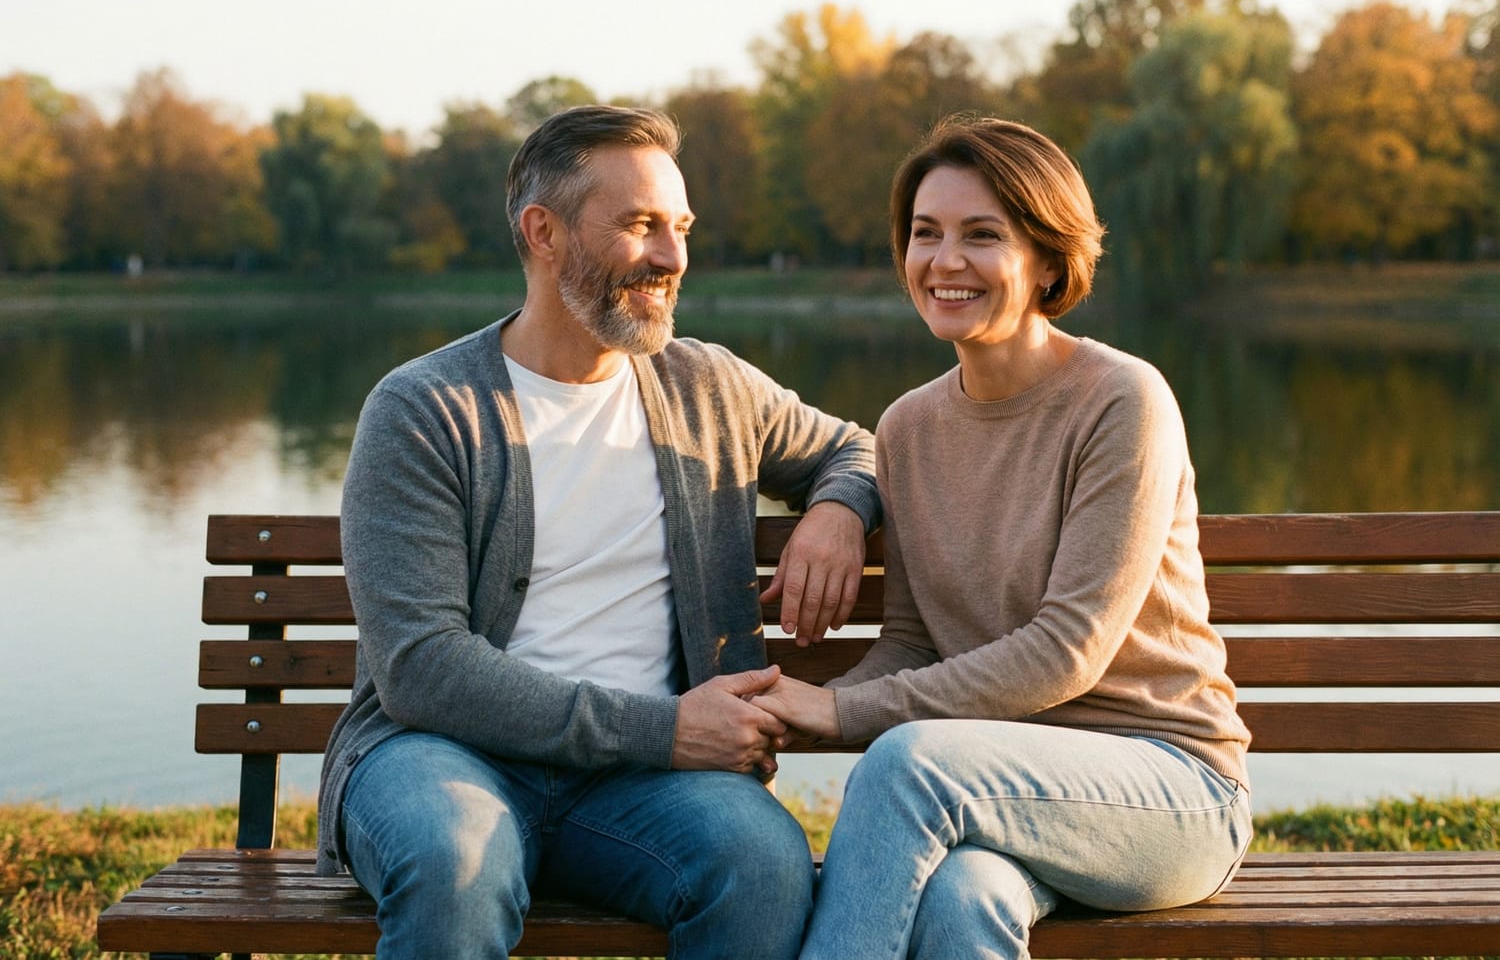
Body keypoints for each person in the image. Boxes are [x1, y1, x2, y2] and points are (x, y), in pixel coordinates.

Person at [314, 104, 880, 960]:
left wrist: (840, 509)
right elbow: (421, 667)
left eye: (680, 228)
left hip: (643, 788)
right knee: (453, 860)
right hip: (445, 758)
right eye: (640, 226)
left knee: (761, 863)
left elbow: (855, 448)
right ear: (543, 233)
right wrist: (663, 731)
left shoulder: (710, 387)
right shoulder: (425, 410)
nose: (672, 257)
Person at [751, 116, 1253, 960]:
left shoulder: (1121, 400)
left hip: (1172, 787)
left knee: (910, 765)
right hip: (1005, 791)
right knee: (960, 900)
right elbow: (912, 640)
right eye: (925, 234)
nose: (944, 262)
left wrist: (841, 713)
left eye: (981, 235)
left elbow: (1069, 652)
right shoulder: (907, 427)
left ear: (1049, 260)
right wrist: (795, 712)